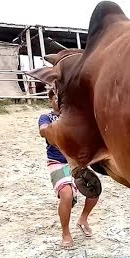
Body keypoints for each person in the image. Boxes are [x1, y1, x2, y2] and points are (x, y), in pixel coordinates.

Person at [38, 89, 99, 249]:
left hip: (77, 161)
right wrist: (56, 127)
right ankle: (65, 232)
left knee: (94, 190)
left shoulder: (75, 116)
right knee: (66, 194)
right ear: (50, 100)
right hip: (58, 162)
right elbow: (43, 131)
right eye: (55, 98)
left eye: (62, 98)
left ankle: (83, 219)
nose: (59, 101)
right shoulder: (46, 117)